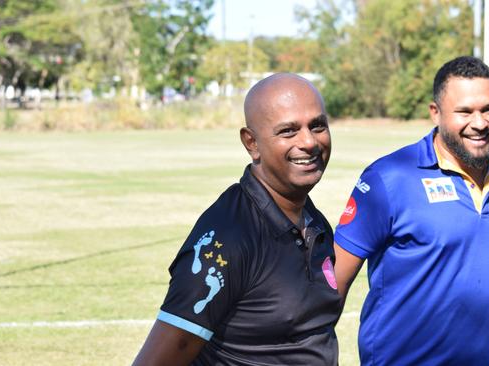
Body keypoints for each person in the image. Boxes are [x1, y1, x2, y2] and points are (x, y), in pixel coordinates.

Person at [333, 56, 489, 365]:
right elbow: (335, 282)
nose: (480, 123)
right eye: (464, 111)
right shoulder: (389, 178)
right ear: (435, 113)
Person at [133, 73, 341, 365]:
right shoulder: (225, 239)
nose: (309, 141)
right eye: (288, 131)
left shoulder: (313, 222)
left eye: (317, 126)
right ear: (251, 142)